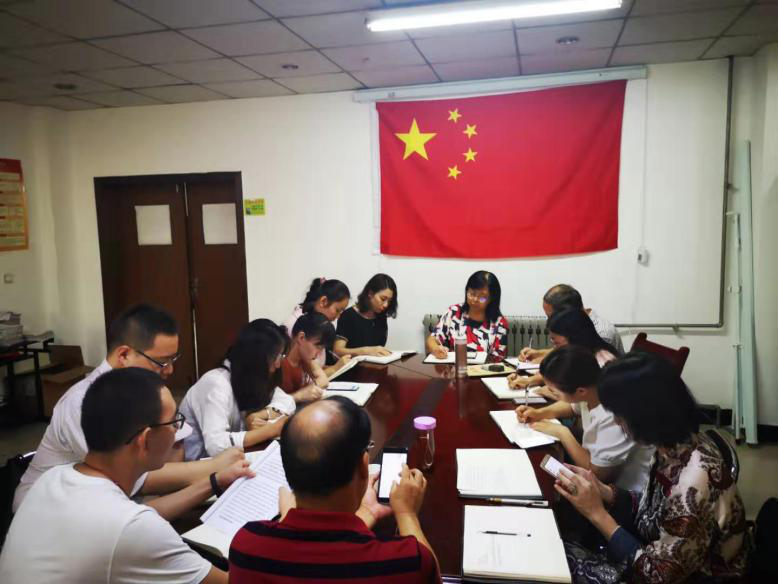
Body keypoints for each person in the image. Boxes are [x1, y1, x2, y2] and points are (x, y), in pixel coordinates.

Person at [0, 368, 252, 584]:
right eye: (174, 422)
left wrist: (213, 482)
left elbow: (137, 518)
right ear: (145, 439)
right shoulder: (130, 528)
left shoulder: (54, 478)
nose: (178, 430)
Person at [13, 304, 243, 517]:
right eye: (162, 362)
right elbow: (127, 475)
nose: (169, 370)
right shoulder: (84, 401)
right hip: (49, 512)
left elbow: (175, 446)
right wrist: (211, 468)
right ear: (123, 355)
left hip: (111, 501)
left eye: (173, 359)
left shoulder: (143, 391)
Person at [556, 353, 751, 583]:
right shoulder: (673, 445)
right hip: (660, 551)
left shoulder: (693, 483)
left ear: (646, 414)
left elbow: (657, 575)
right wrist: (604, 491)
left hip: (692, 576)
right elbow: (653, 512)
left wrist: (597, 514)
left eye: (619, 415)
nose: (617, 422)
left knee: (559, 559)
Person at [229, 397, 441, 583]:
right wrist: (406, 513)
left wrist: (368, 512)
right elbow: (430, 572)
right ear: (363, 466)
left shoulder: (247, 547)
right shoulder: (404, 563)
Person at [515, 346, 652, 491]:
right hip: (593, 462)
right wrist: (539, 413)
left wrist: (563, 433)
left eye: (554, 392)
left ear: (580, 391)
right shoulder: (592, 385)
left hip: (624, 492)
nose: (550, 393)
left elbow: (596, 475)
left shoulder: (614, 416)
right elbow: (572, 407)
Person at [179, 319, 296, 461]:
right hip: (200, 464)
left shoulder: (252, 376)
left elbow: (287, 401)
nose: (278, 364)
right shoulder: (216, 383)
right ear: (256, 356)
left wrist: (261, 414)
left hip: (233, 459)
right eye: (275, 356)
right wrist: (270, 430)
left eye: (281, 356)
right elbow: (215, 445)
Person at [509, 308, 618, 391]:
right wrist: (528, 381)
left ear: (574, 337)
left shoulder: (601, 363)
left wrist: (550, 392)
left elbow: (576, 398)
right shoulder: (581, 353)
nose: (554, 348)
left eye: (556, 342)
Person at [520, 284, 624, 363]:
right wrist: (538, 353)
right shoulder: (577, 330)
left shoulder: (602, 333)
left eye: (552, 316)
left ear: (568, 313)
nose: (551, 321)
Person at [425, 270, 508, 361]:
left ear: (491, 299)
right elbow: (432, 339)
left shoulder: (499, 323)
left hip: (483, 369)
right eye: (472, 294)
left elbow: (498, 359)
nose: (475, 299)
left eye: (482, 297)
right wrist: (436, 349)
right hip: (453, 367)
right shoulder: (453, 312)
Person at [284, 277, 352, 376]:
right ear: (323, 301)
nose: (337, 317)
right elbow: (305, 376)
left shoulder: (319, 325)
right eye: (337, 310)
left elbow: (316, 366)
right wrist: (335, 368)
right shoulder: (298, 324)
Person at [335, 273, 398, 357]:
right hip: (352, 364)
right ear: (370, 293)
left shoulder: (381, 316)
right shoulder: (349, 316)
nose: (386, 305)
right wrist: (365, 351)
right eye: (383, 299)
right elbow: (337, 351)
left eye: (389, 301)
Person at [279, 312, 334, 403]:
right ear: (301, 337)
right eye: (318, 347)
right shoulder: (280, 364)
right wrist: (301, 395)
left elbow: (324, 380)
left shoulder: (305, 359)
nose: (319, 353)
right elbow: (274, 405)